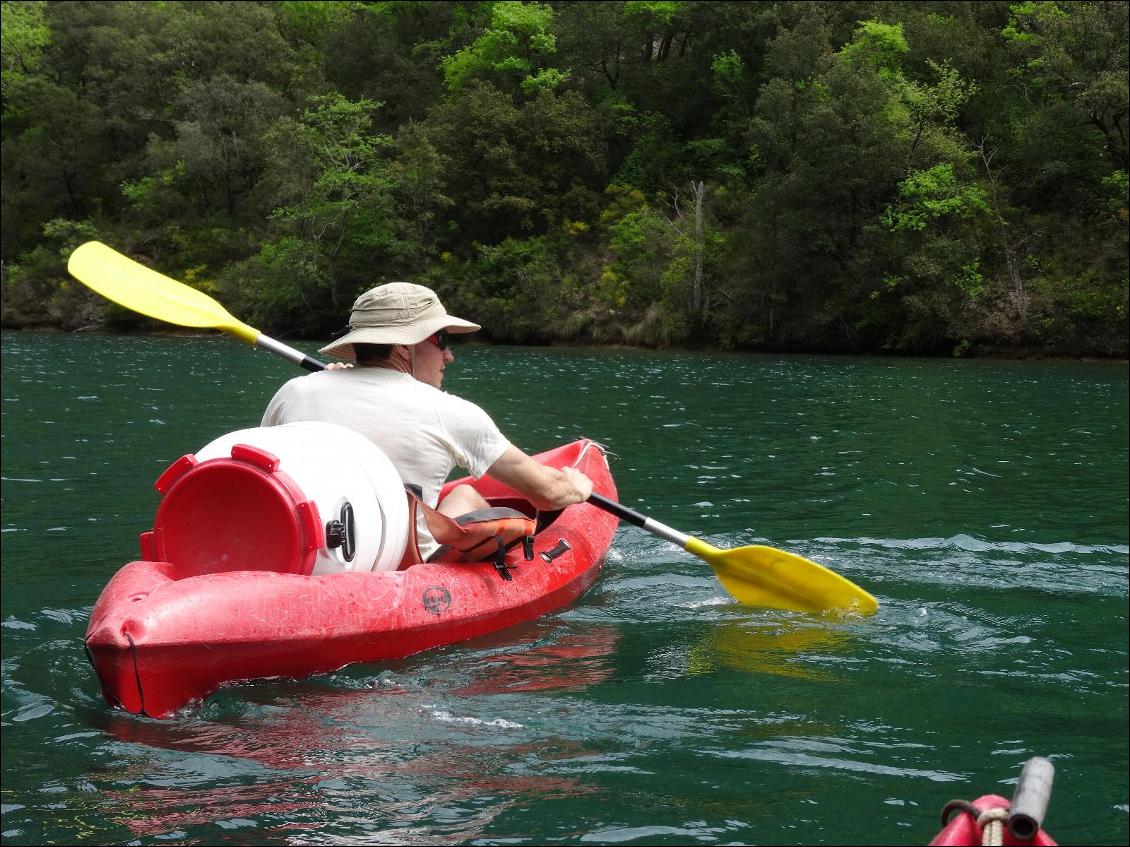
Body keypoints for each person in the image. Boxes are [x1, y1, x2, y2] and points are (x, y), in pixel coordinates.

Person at [261, 282, 593, 562]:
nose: (449, 355)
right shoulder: (450, 413)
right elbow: (548, 493)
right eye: (442, 340)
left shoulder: (295, 392)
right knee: (467, 494)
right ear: (404, 346)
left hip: (308, 555)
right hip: (405, 570)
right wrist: (578, 485)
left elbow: (269, 472)